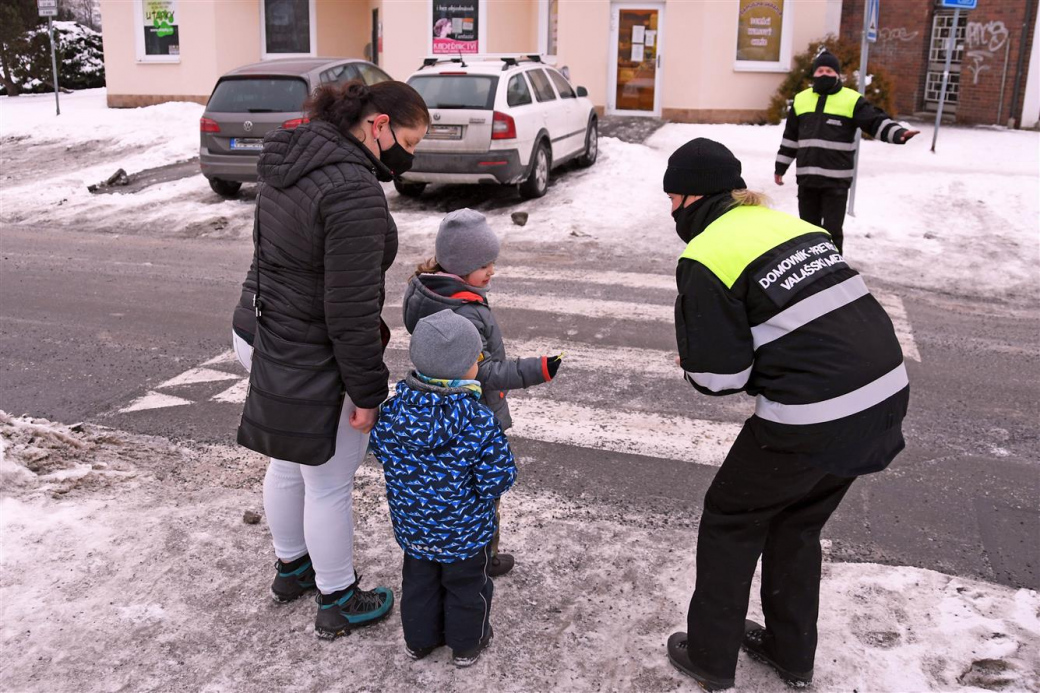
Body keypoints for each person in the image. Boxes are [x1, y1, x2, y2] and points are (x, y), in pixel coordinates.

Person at [663, 138, 909, 691]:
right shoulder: (795, 227)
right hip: (884, 395)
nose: (671, 211)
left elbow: (717, 378)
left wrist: (697, 361)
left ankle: (710, 657)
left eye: (672, 199)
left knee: (731, 520)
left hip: (816, 414)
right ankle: (790, 651)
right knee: (796, 524)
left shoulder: (705, 256)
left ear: (689, 197)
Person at [231, 79, 429, 639]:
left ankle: (292, 567)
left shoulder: (290, 152)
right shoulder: (353, 191)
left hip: (260, 327)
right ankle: (338, 597)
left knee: (289, 459)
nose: (409, 157)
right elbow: (349, 308)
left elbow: (268, 252)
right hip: (312, 349)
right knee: (328, 479)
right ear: (379, 125)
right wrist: (368, 391)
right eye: (410, 143)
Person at [401, 208, 563, 577]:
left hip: (441, 408)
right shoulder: (461, 311)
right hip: (472, 414)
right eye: (485, 264)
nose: (492, 271)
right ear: (460, 266)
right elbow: (484, 372)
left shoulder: (431, 292)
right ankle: (481, 558)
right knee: (482, 490)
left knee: (445, 490)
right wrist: (536, 369)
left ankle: (447, 551)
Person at [370, 310, 517, 667]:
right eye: (474, 359)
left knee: (419, 586)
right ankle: (468, 643)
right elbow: (497, 478)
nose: (478, 363)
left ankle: (419, 642)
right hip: (465, 533)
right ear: (461, 368)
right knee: (467, 589)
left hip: (414, 527)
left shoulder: (392, 412)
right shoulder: (478, 420)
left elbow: (379, 449)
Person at [774, 49, 920, 253]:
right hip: (807, 180)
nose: (824, 74)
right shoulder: (801, 100)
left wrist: (898, 133)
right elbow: (790, 138)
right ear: (814, 74)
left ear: (837, 75)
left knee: (832, 231)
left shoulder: (851, 100)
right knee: (807, 231)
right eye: (820, 70)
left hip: (836, 182)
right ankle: (811, 272)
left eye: (829, 70)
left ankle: (835, 271)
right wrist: (780, 167)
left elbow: (874, 121)